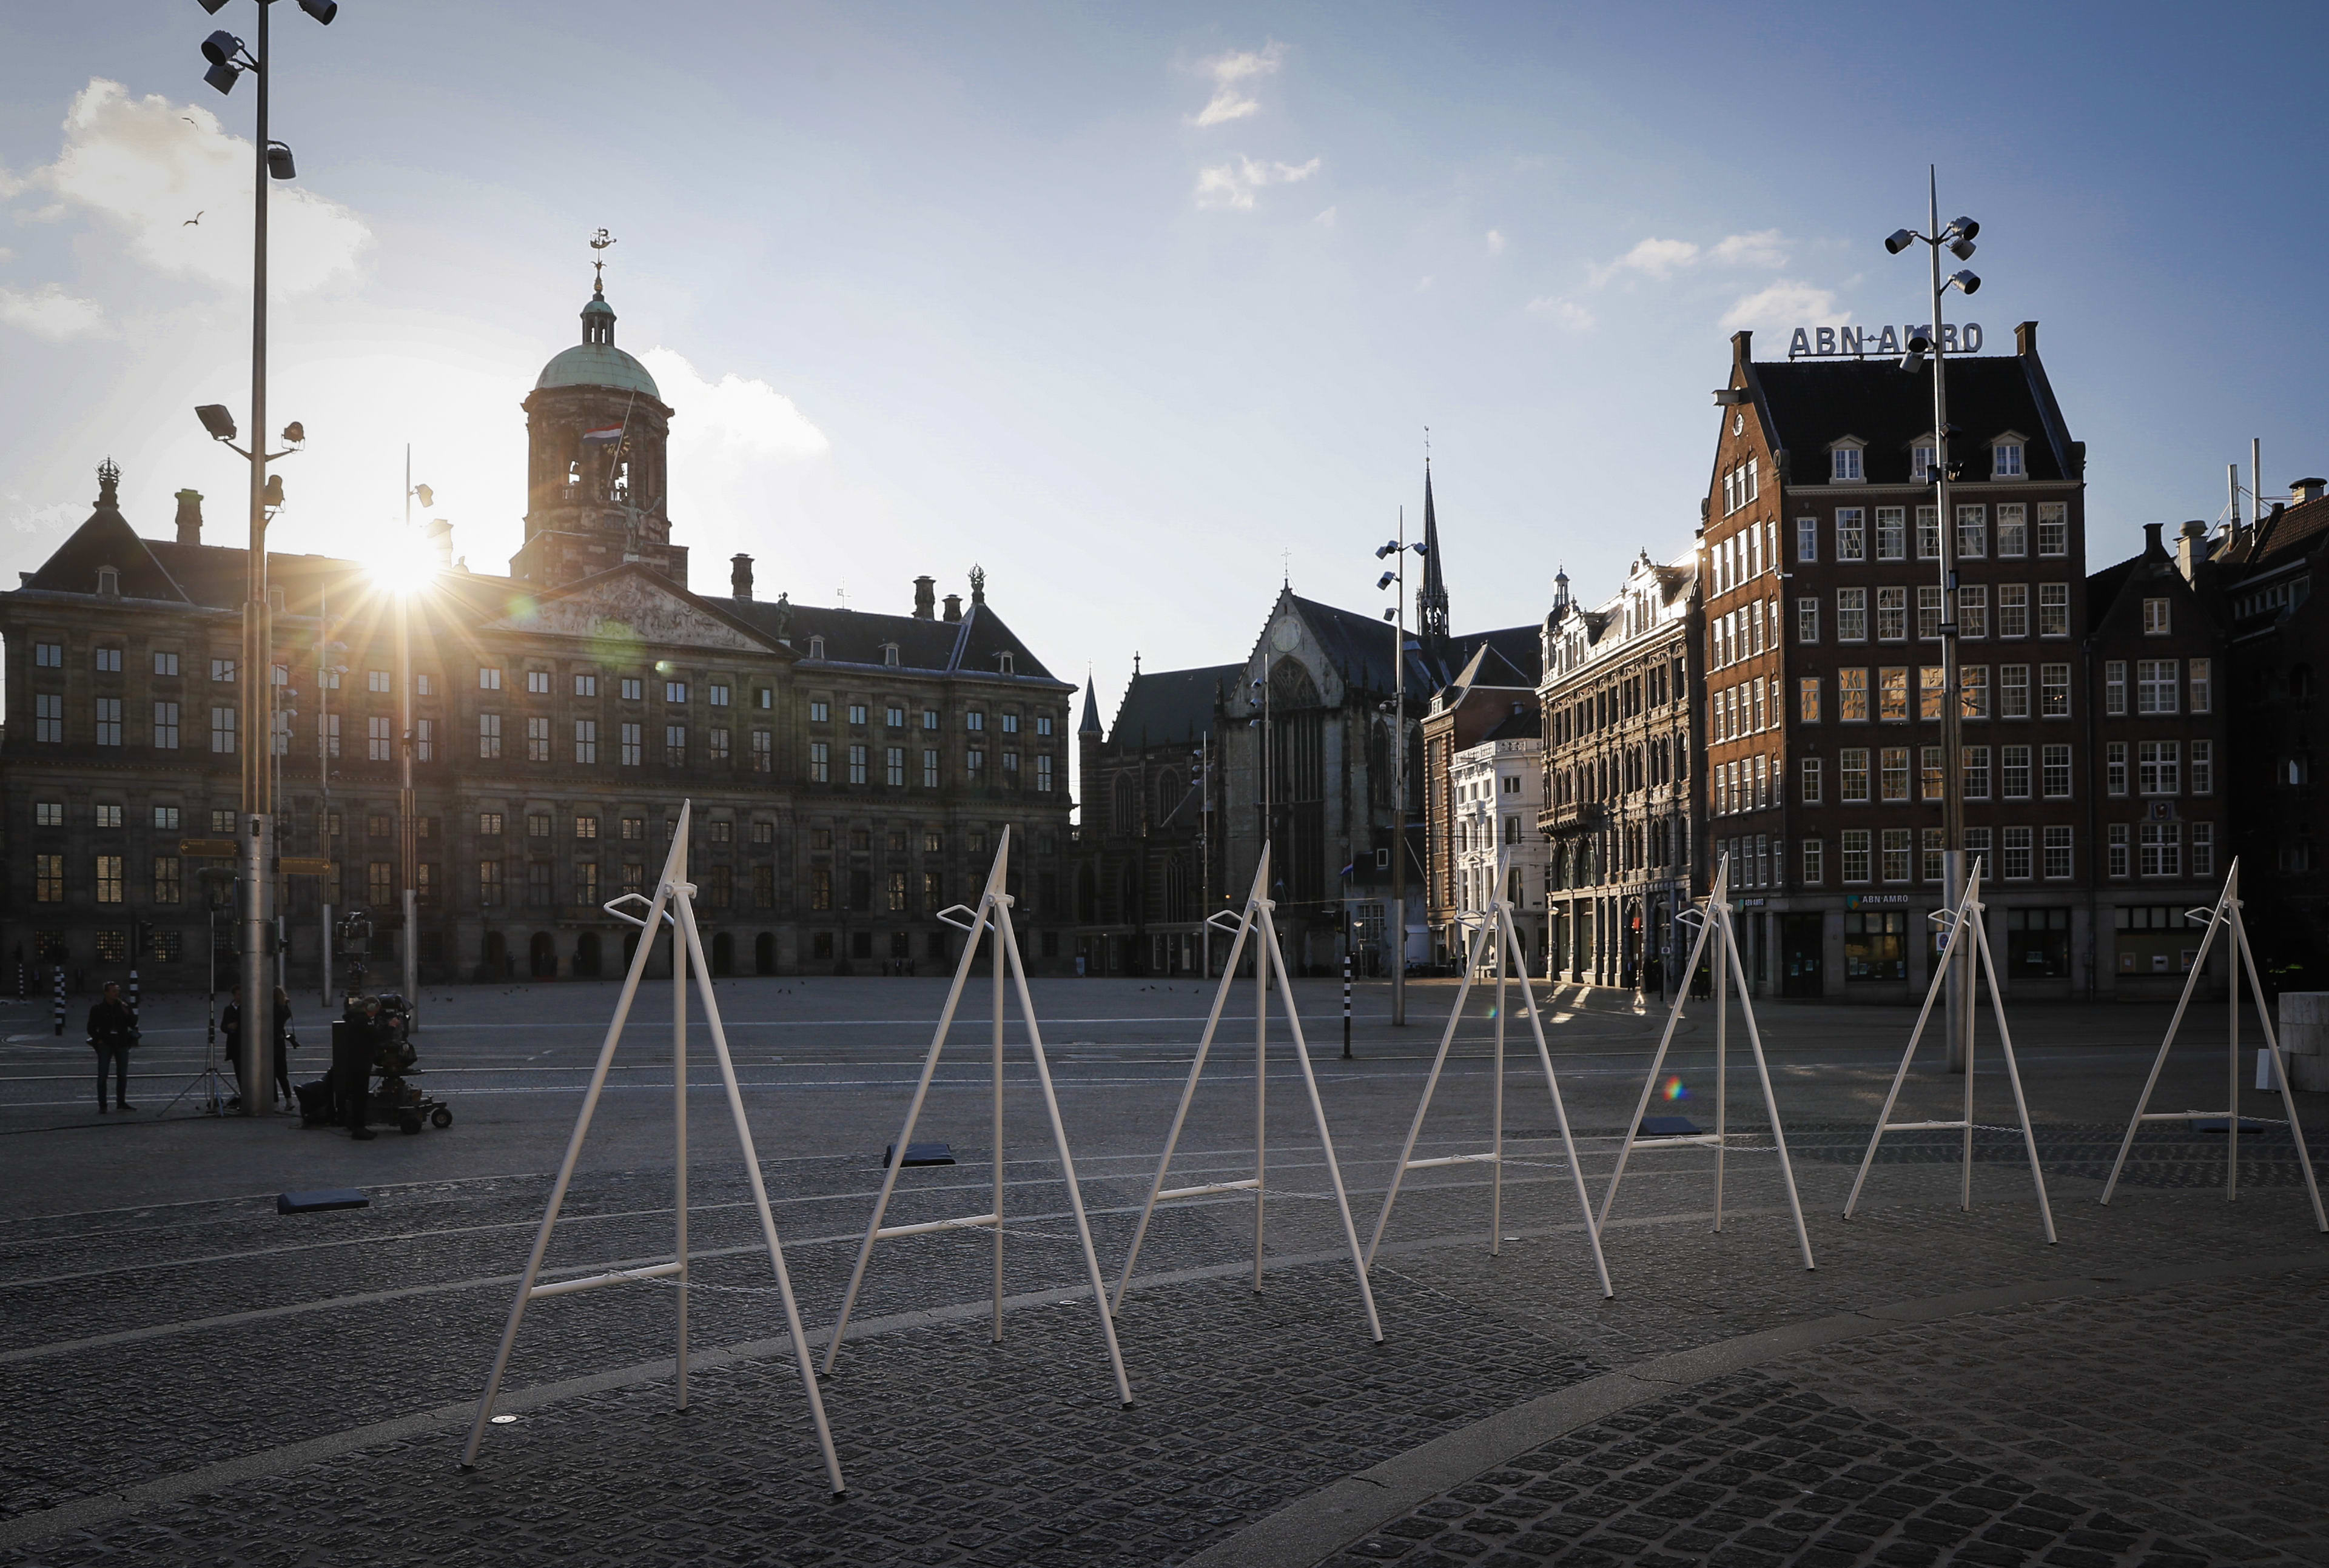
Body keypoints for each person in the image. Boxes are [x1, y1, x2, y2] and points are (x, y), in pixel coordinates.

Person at [334, 994, 382, 1141]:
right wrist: (390, 1027)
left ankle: (357, 1125)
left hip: (355, 1061)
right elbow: (375, 1036)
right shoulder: (363, 1020)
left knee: (357, 1095)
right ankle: (359, 1128)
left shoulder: (354, 1018)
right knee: (360, 1096)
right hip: (360, 1063)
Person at [87, 981, 138, 1113]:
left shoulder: (123, 1006)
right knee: (103, 1075)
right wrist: (99, 1040)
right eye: (113, 991)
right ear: (106, 993)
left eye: (117, 991)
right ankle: (103, 1105)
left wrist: (127, 1012)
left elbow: (133, 1023)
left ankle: (121, 1102)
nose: (117, 993)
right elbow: (91, 1027)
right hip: (106, 1044)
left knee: (122, 1075)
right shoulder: (98, 1009)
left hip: (121, 1043)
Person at [269, 985, 297, 1112]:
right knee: (282, 1074)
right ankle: (289, 1100)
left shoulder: (272, 1009)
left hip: (270, 1042)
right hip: (280, 1042)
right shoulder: (284, 1010)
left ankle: (275, 1102)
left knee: (272, 1074)